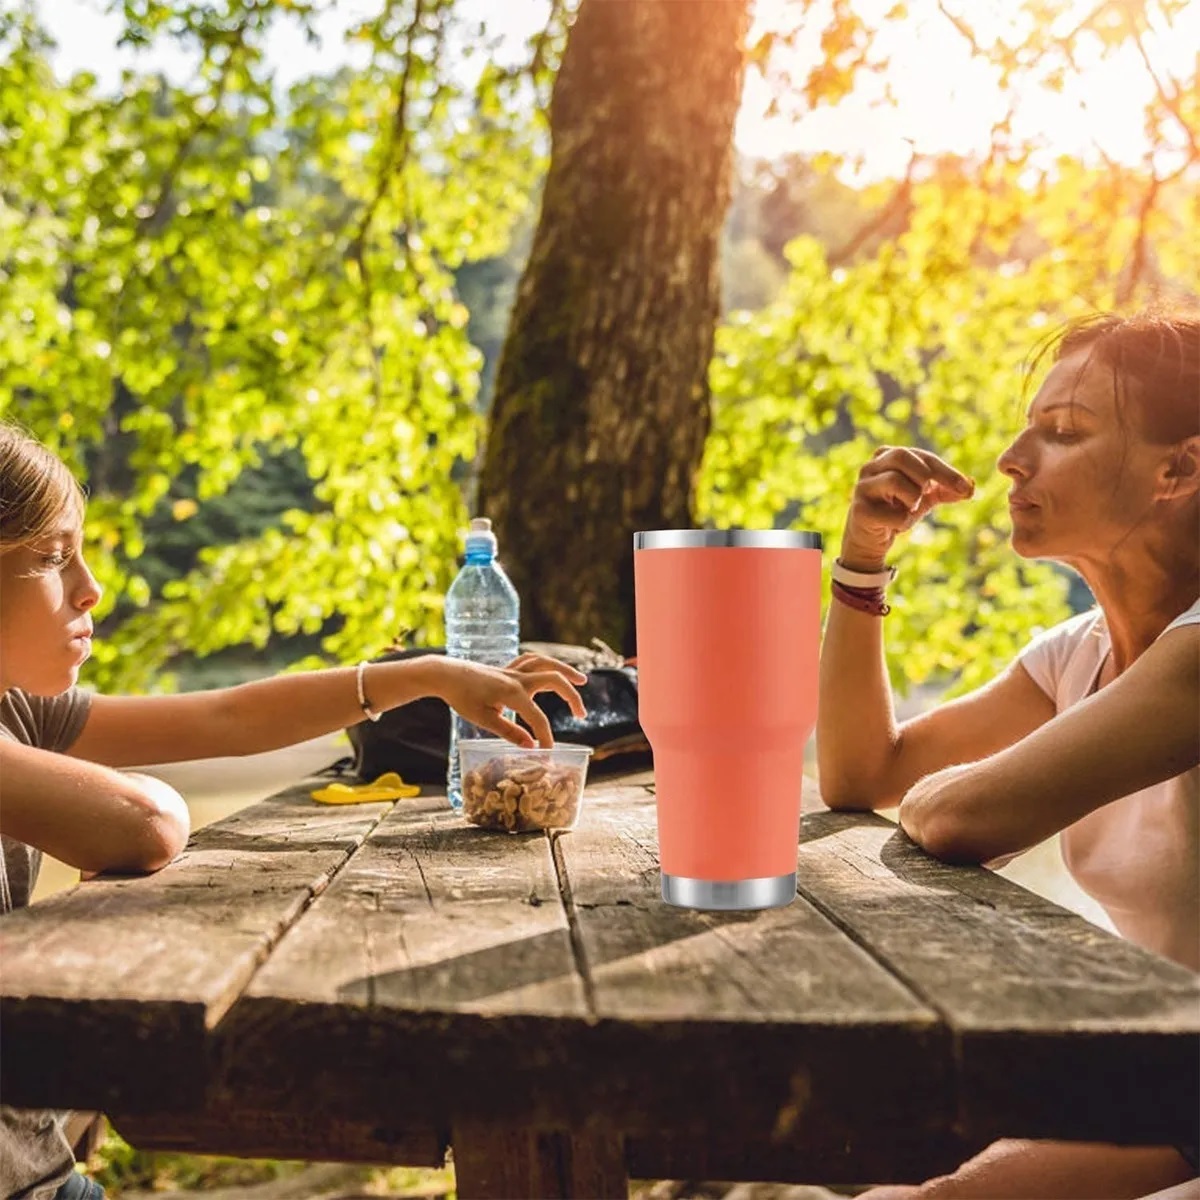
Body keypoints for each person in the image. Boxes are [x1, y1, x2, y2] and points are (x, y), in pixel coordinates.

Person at [0, 420, 588, 1199]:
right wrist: (131, 806)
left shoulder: (20, 713)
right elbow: (145, 827)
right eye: (50, 557)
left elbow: (228, 719)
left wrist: (429, 675)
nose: (89, 587)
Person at [818, 308, 1199, 1199]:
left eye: (1063, 432)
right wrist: (864, 559)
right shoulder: (1078, 652)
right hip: (1165, 1061)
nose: (1011, 459)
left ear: (1179, 469)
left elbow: (952, 815)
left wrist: (952, 797)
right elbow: (863, 772)